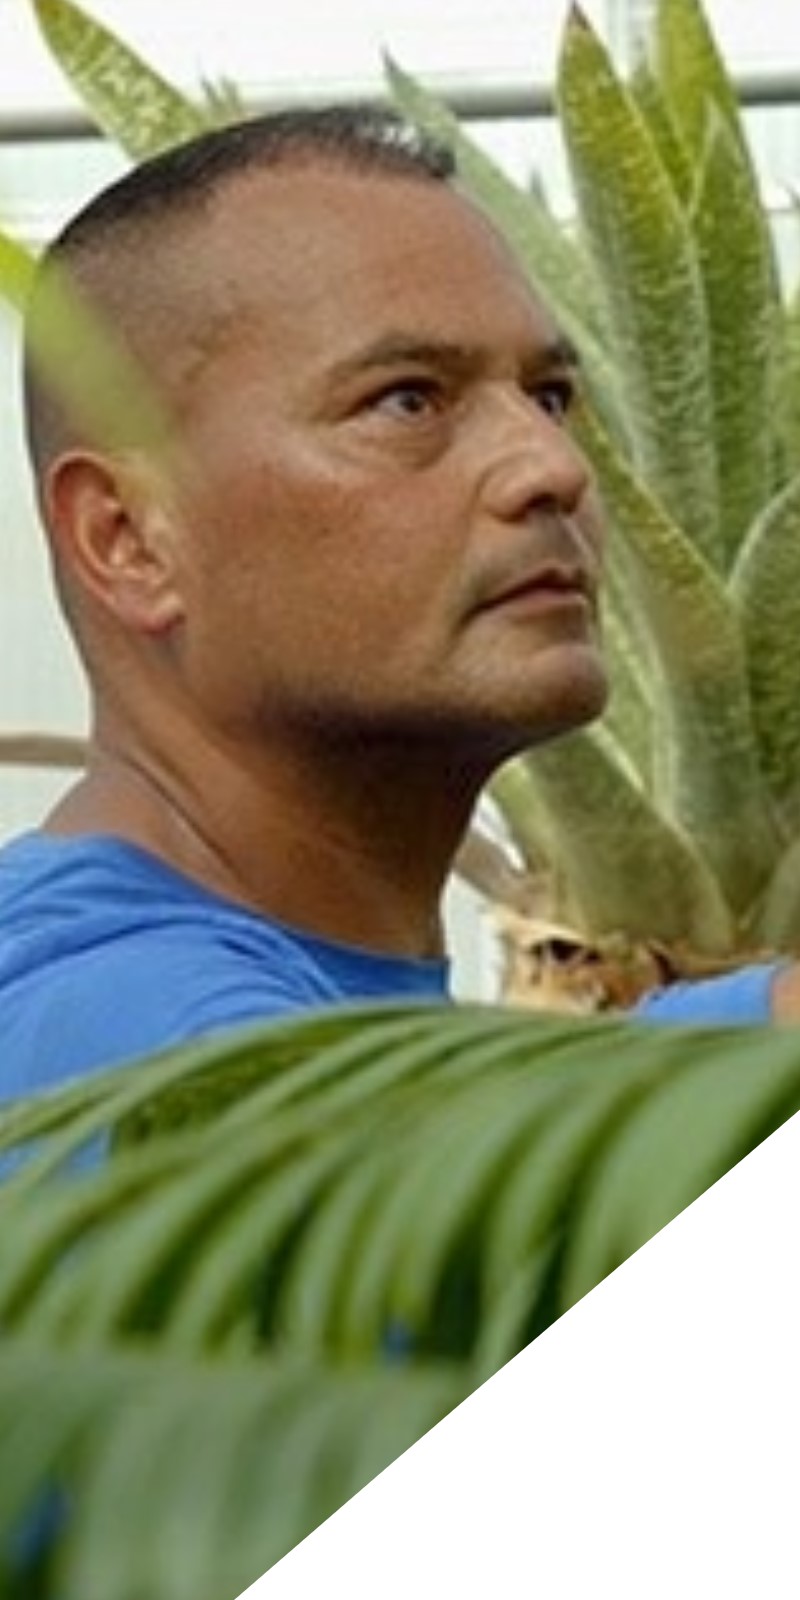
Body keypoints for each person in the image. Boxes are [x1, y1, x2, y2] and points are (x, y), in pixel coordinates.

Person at [0, 106, 796, 1103]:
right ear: (128, 538)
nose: (550, 468)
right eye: (406, 400)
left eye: (547, 396)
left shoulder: (323, 1014)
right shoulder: (117, 1032)